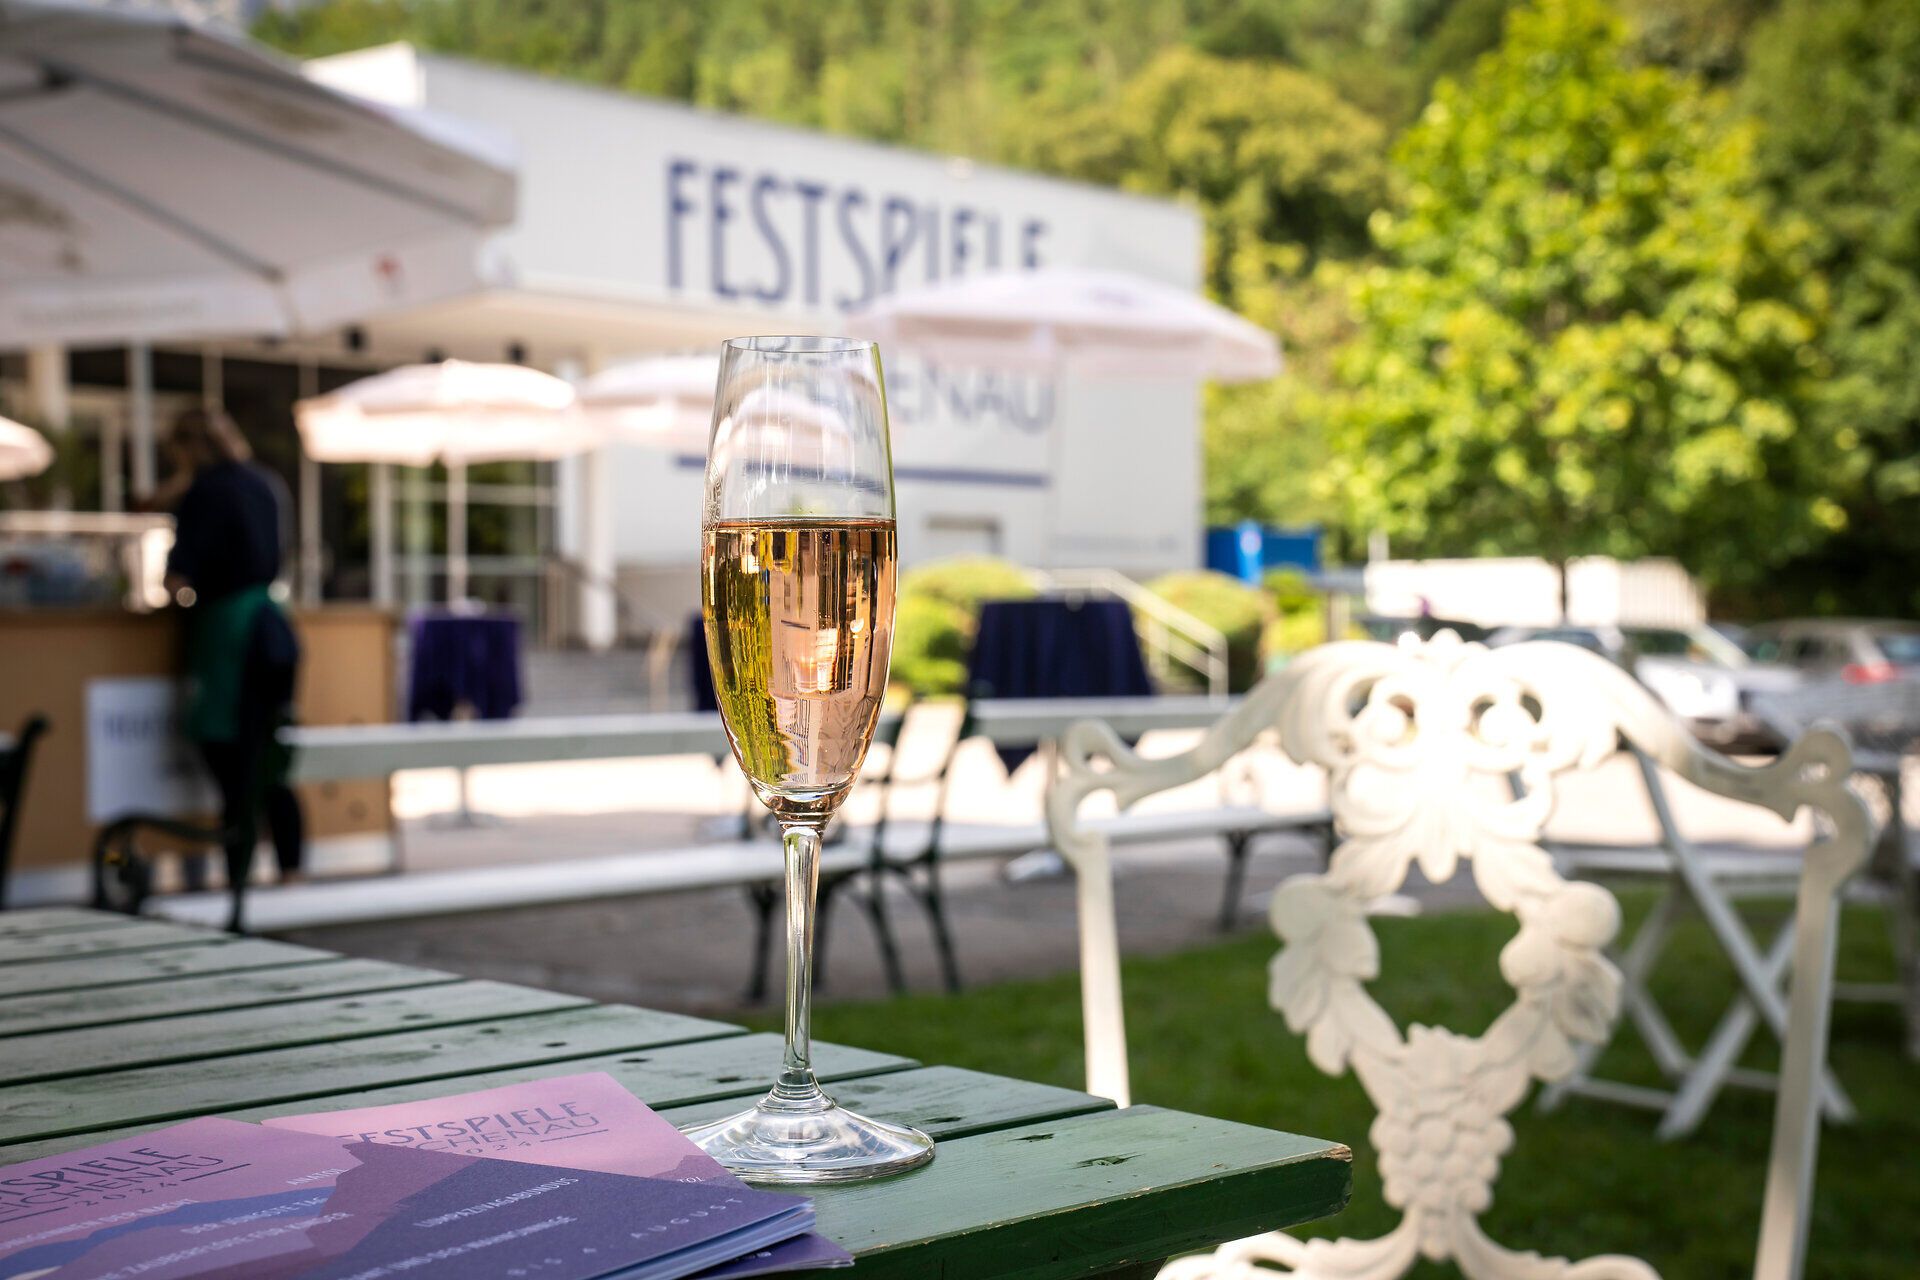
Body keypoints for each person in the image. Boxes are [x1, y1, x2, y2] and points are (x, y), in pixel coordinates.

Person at [160, 408, 305, 896]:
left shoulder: (206, 491)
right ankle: (290, 873)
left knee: (231, 758)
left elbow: (179, 578)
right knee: (269, 754)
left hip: (230, 632)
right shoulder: (264, 482)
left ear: (188, 448)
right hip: (273, 625)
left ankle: (238, 880)